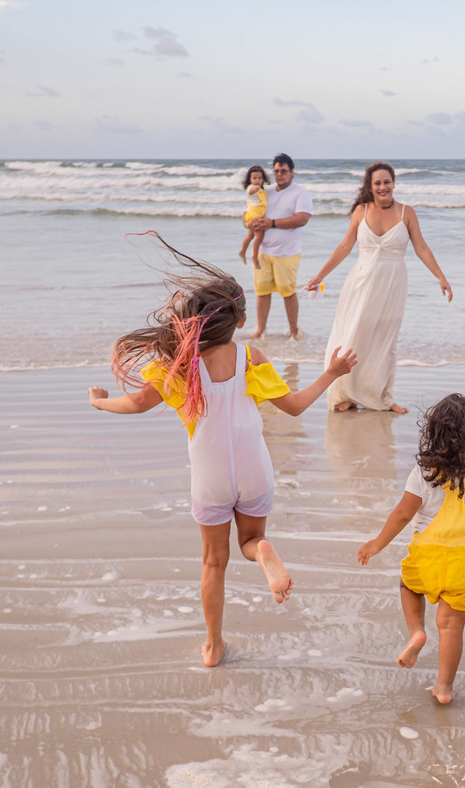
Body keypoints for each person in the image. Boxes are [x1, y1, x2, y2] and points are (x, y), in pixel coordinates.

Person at [87, 235, 357, 668]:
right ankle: (263, 552)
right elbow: (295, 407)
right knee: (251, 539)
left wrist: (99, 401)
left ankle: (213, 646)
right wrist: (332, 372)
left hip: (210, 477)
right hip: (254, 470)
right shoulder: (250, 356)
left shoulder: (178, 364)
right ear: (236, 322)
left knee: (214, 563)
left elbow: (135, 404)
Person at [356, 393, 465, 705]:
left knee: (407, 586)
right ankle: (443, 688)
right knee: (451, 628)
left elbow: (402, 514)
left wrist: (377, 544)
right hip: (462, 566)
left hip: (425, 557)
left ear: (433, 436)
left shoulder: (424, 475)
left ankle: (416, 632)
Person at [306, 162, 452, 414]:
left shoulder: (407, 213)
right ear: (370, 186)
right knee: (352, 337)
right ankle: (346, 394)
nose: (383, 187)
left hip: (392, 284)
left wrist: (441, 276)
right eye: (377, 183)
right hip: (360, 283)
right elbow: (344, 247)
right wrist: (319, 275)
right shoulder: (360, 212)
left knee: (385, 341)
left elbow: (422, 248)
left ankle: (384, 397)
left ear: (393, 183)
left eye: (387, 182)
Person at [245, 153, 312, 339]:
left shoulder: (300, 193)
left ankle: (293, 332)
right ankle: (260, 330)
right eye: (276, 171)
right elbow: (248, 212)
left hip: (287, 253)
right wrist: (249, 224)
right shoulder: (265, 191)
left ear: (292, 172)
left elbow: (302, 219)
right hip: (262, 252)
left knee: (288, 292)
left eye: (283, 171)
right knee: (262, 292)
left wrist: (271, 223)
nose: (279, 174)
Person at [238, 165, 269, 264]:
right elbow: (250, 192)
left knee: (250, 235)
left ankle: (242, 251)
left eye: (260, 178)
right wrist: (254, 188)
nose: (257, 180)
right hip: (254, 215)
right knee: (259, 237)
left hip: (255, 214)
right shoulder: (251, 188)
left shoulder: (262, 190)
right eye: (254, 178)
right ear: (250, 179)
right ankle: (254, 257)